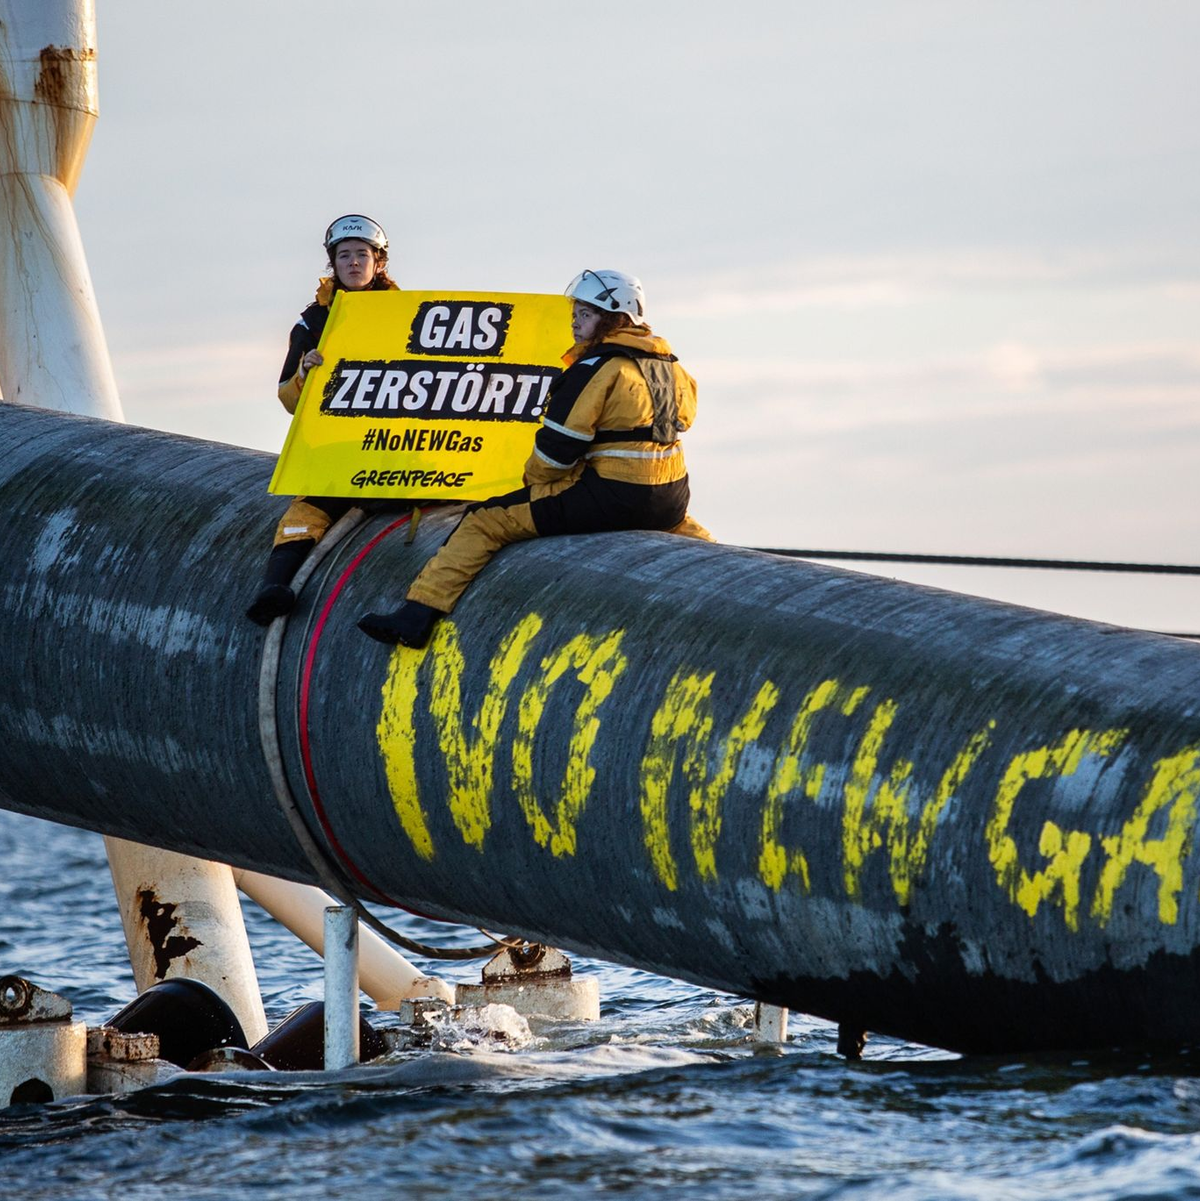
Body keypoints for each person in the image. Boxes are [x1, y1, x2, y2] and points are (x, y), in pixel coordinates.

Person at [357, 268, 712, 648]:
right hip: (671, 499)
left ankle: (415, 616)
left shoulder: (594, 369)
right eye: (575, 313)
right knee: (703, 546)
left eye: (586, 314)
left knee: (484, 520)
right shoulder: (673, 366)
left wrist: (531, 486)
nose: (575, 322)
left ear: (614, 319)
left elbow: (556, 451)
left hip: (612, 496)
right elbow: (684, 420)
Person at [246, 214, 398, 625]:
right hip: (338, 448)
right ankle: (272, 590)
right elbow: (288, 399)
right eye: (344, 255)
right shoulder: (312, 321)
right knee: (305, 514)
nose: (352, 263)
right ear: (333, 263)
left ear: (378, 263)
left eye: (361, 255)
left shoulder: (408, 314)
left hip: (393, 448)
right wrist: (305, 375)